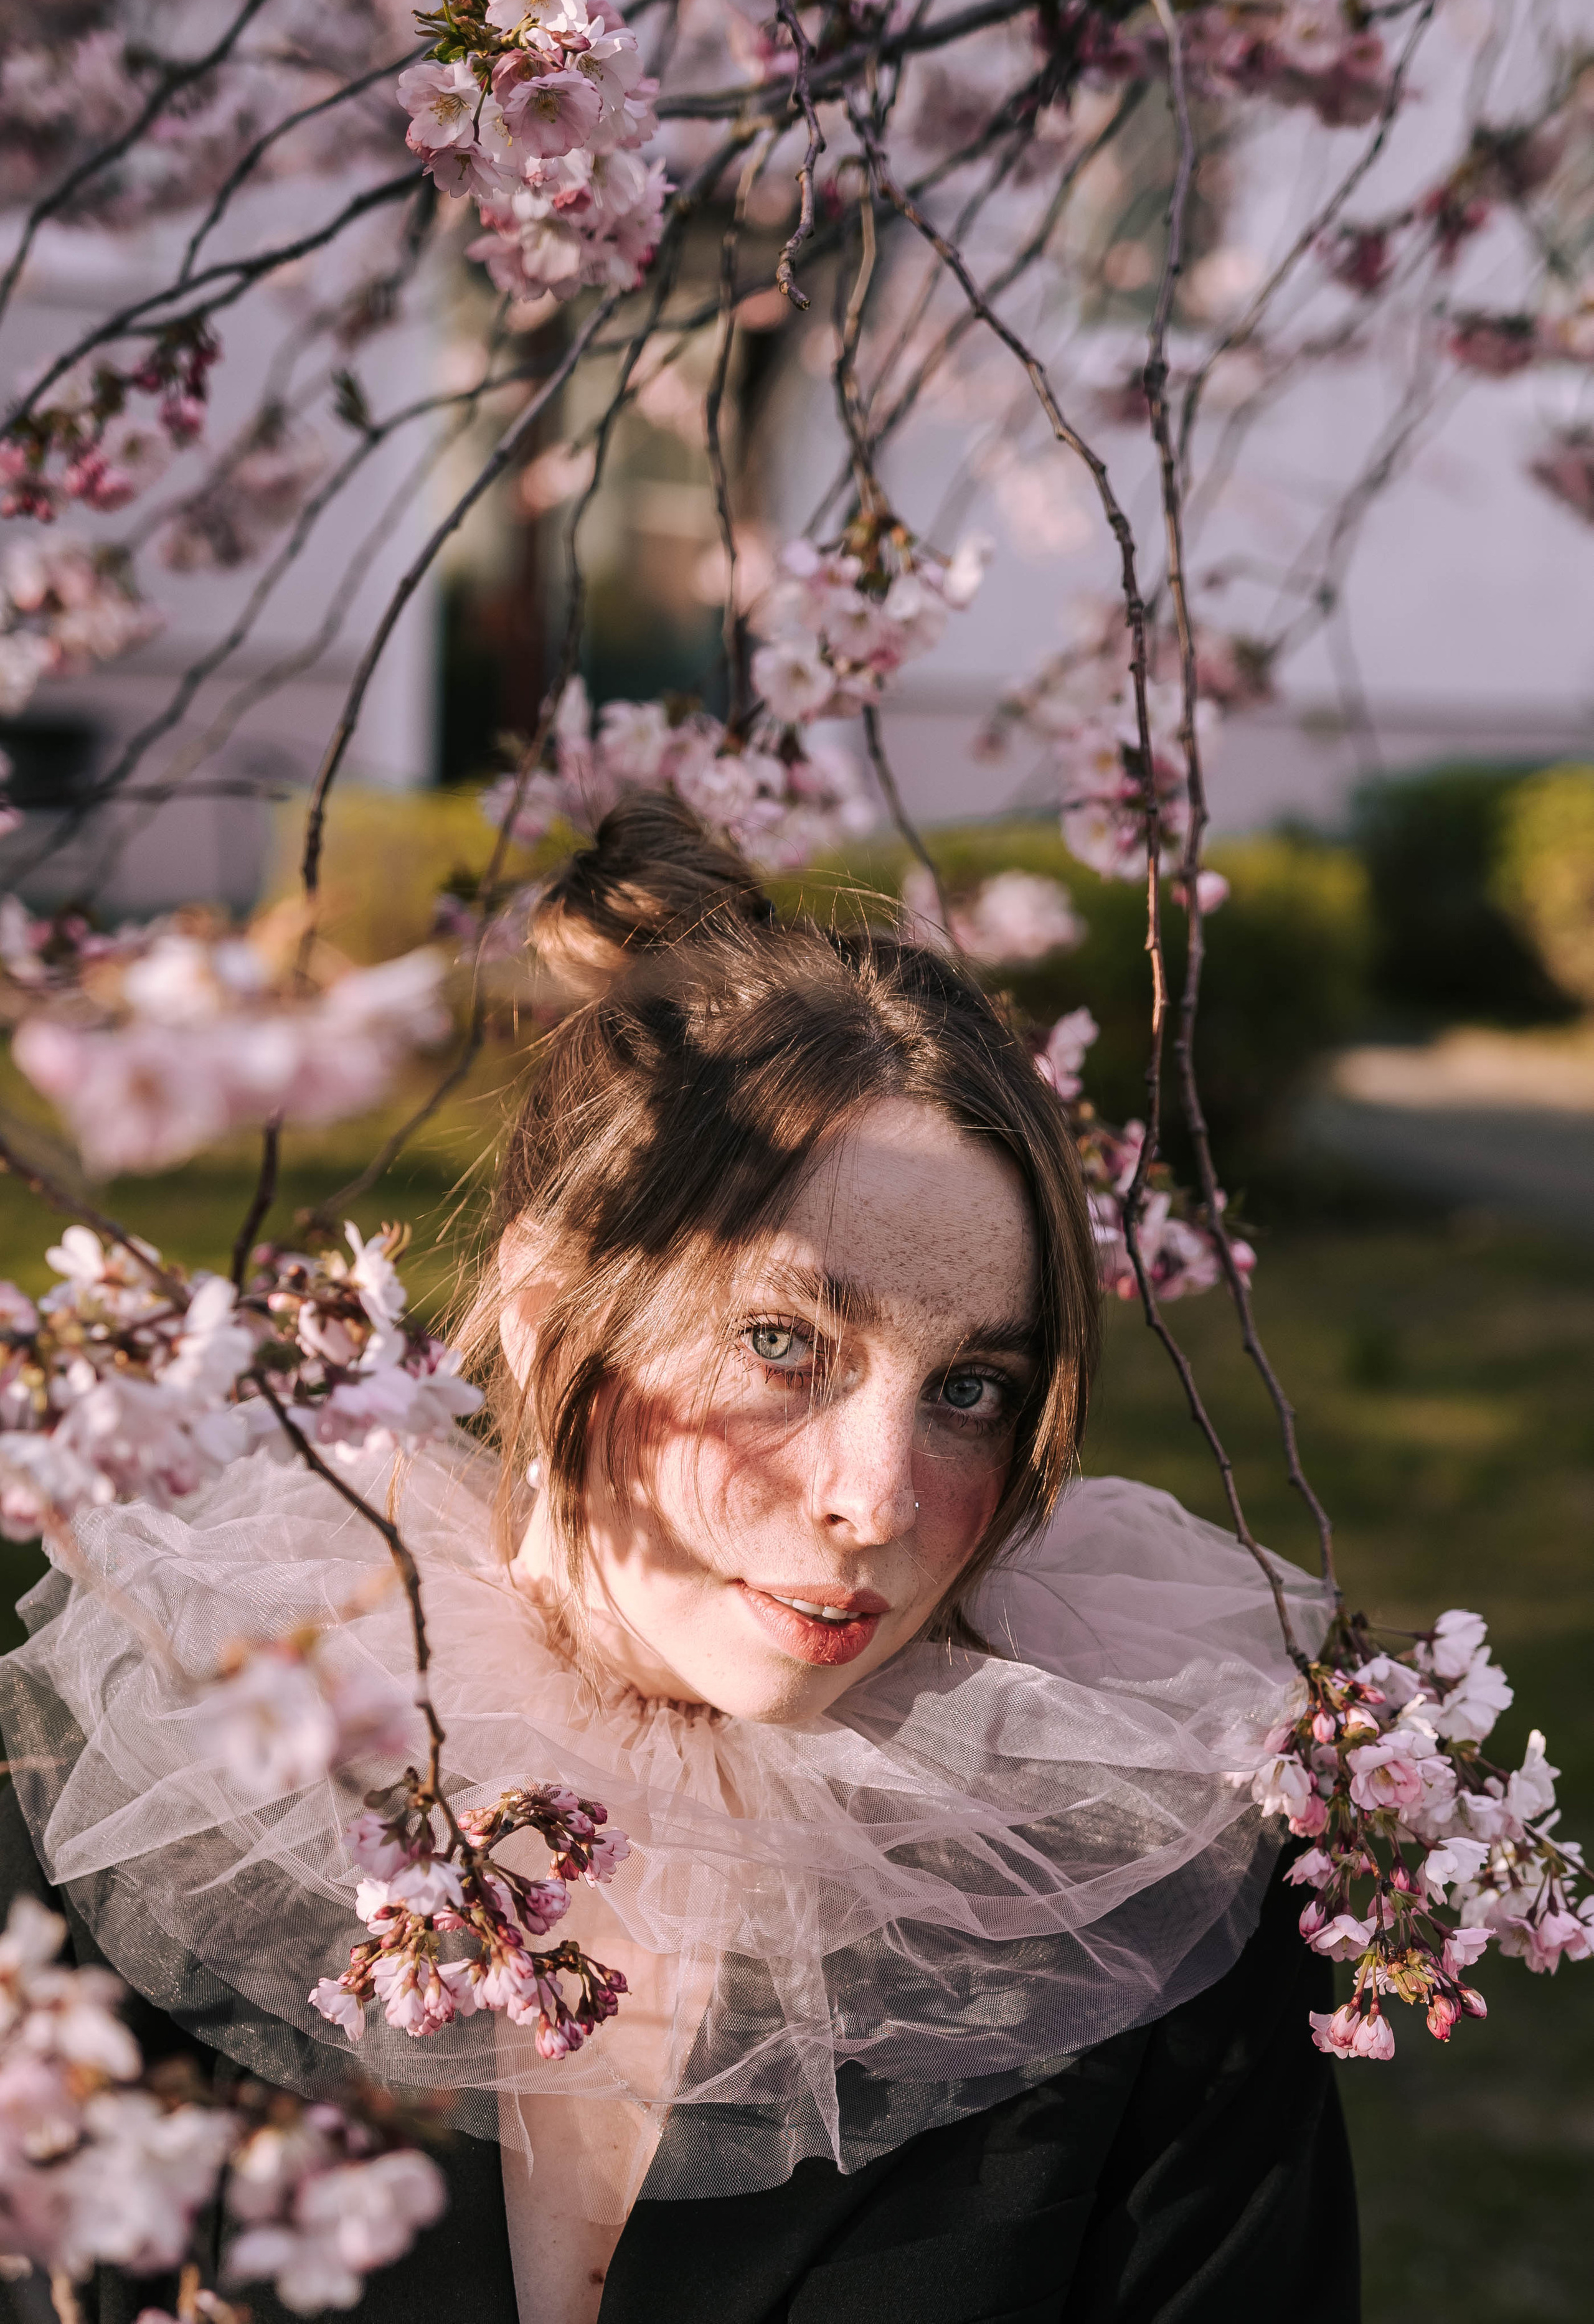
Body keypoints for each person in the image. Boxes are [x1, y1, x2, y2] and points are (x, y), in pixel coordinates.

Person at [0, 794, 1358, 2323]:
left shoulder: (1139, 1919)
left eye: (969, 1388)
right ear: (543, 1306)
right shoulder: (177, 1813)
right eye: (782, 1344)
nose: (877, 1500)